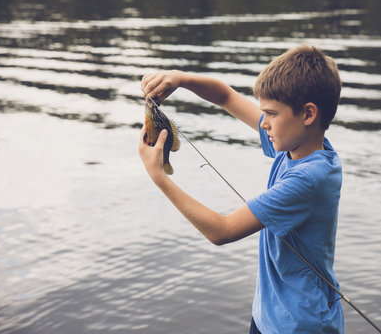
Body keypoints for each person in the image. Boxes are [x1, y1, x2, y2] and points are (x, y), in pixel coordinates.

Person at [139, 45, 344, 333]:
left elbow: (221, 231)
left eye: (271, 114)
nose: (265, 124)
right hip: (269, 315)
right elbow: (226, 96)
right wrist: (181, 79)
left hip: (300, 324)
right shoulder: (298, 146)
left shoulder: (310, 178)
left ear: (308, 114)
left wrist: (159, 176)